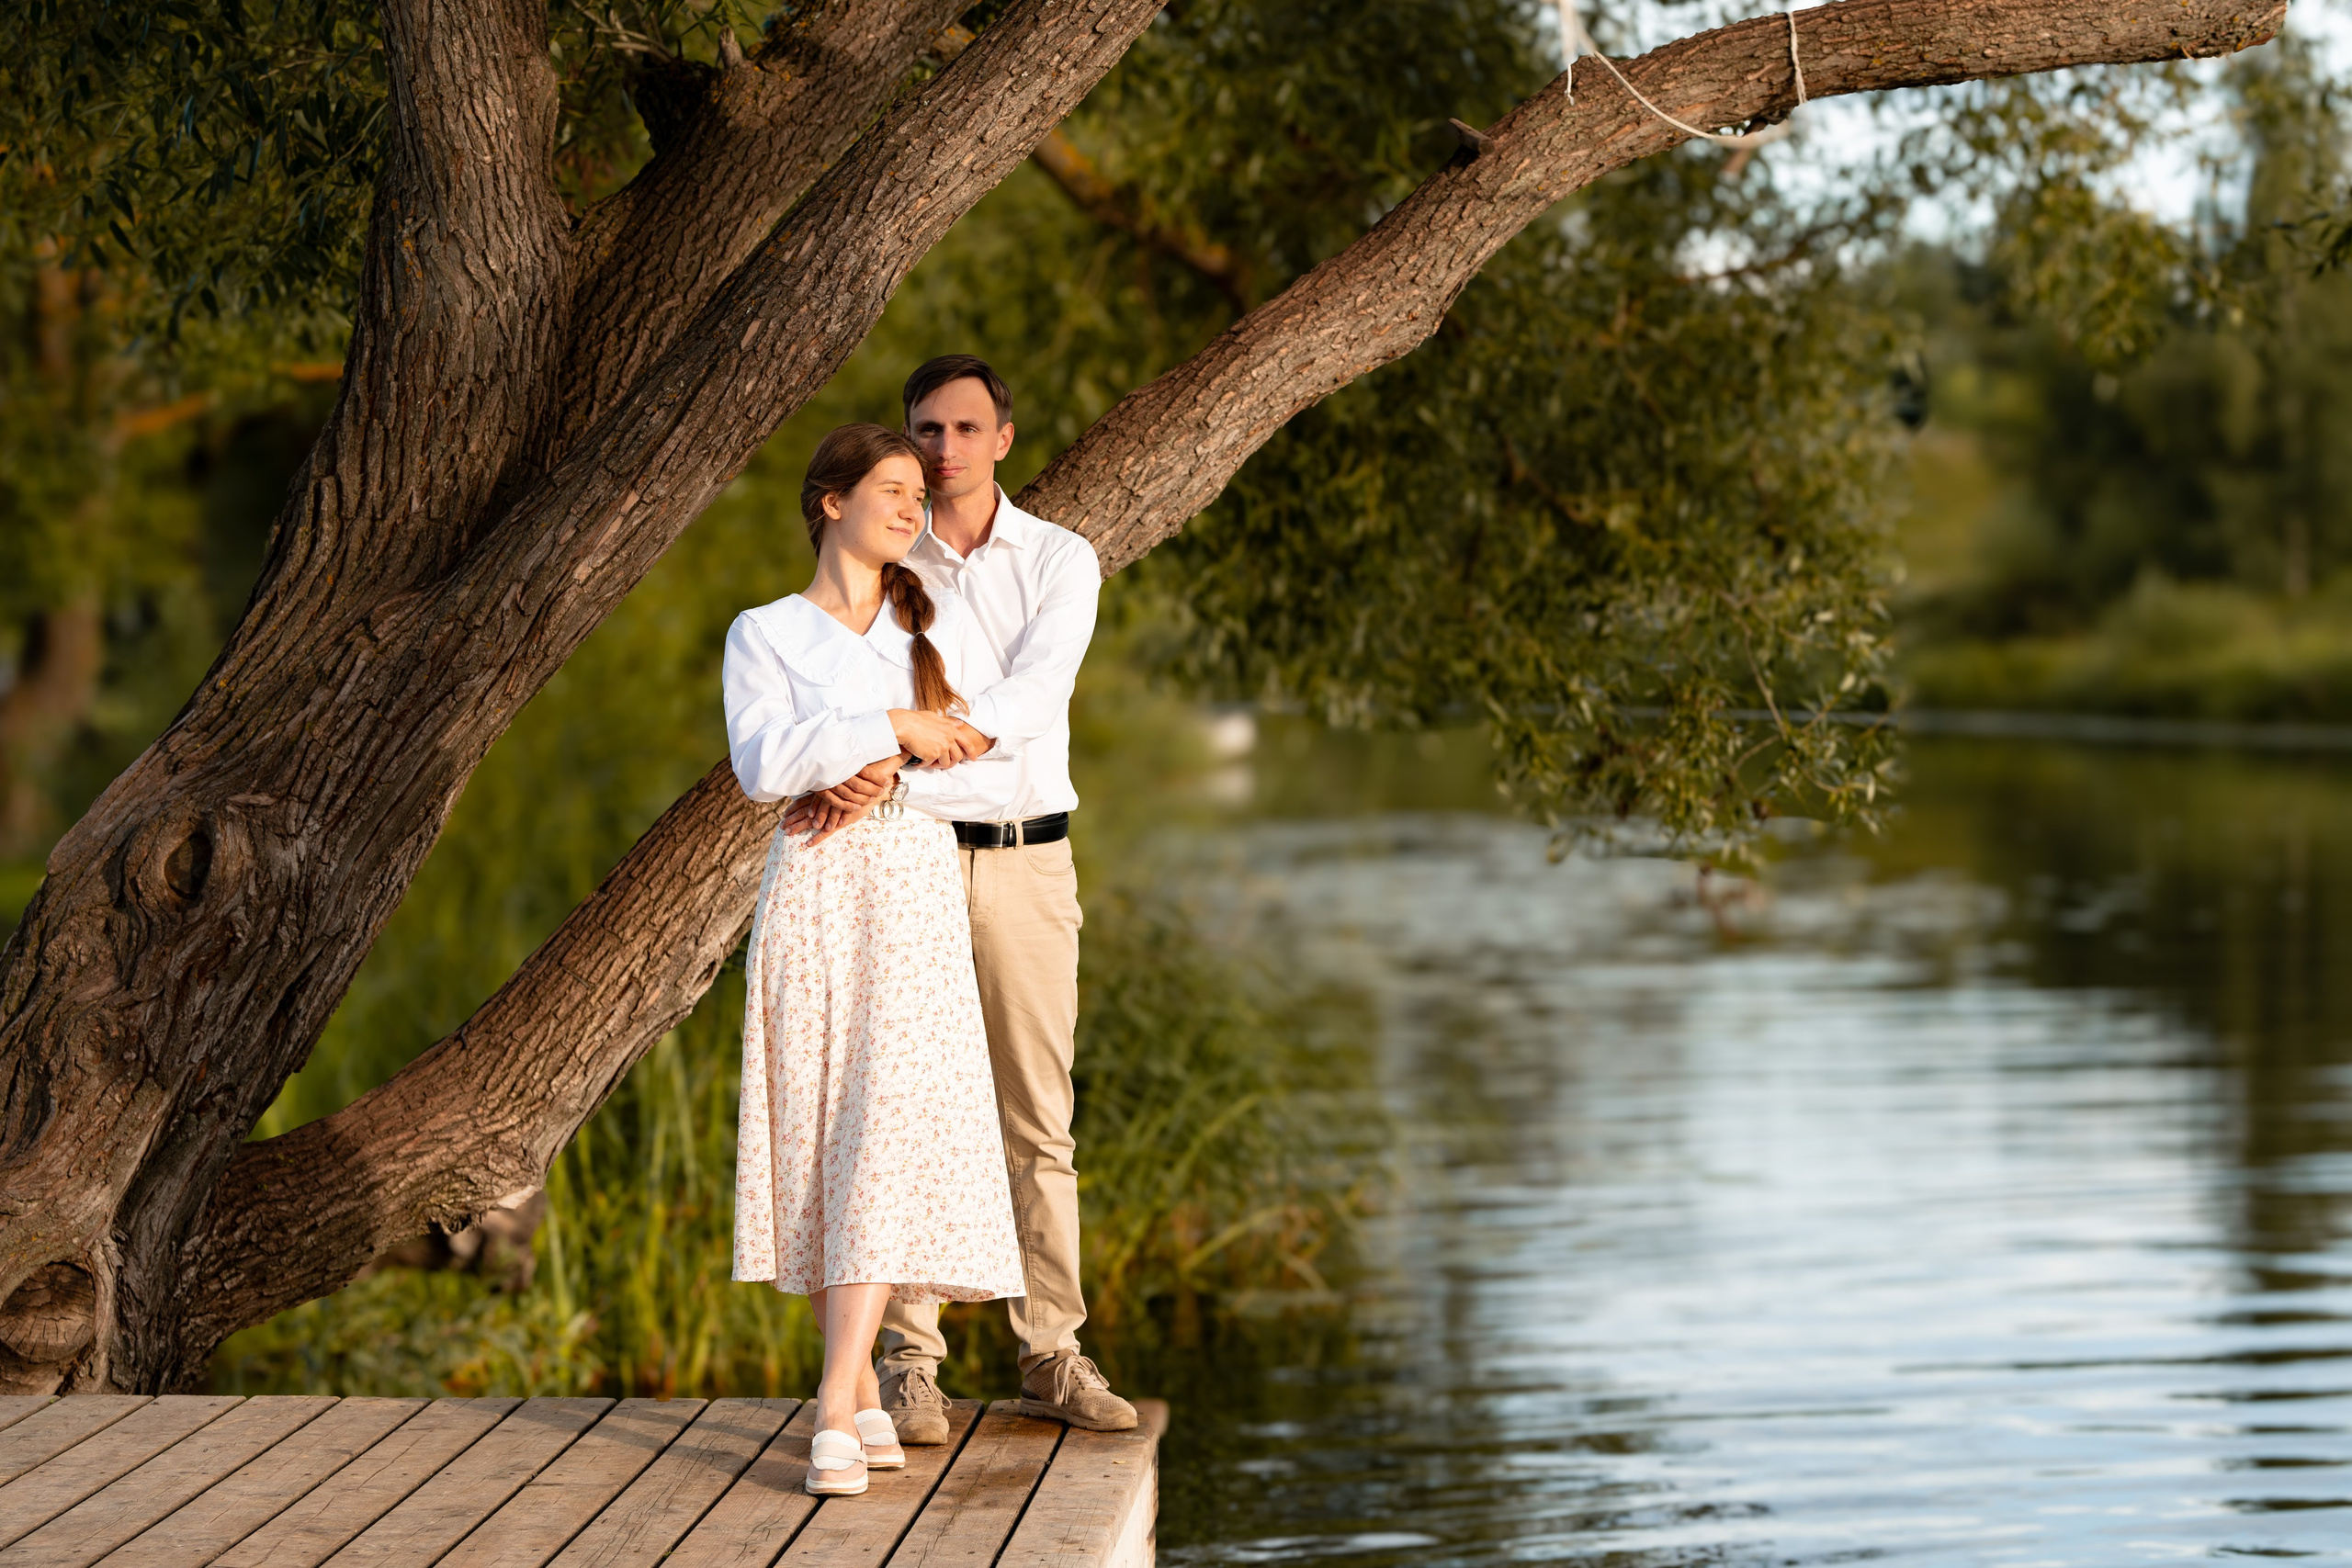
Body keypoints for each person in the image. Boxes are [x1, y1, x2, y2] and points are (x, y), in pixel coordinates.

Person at [784, 355, 1139, 1439]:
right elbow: (860, 701)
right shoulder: (885, 563)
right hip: (912, 856)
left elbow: (1037, 695)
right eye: (924, 431)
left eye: (963, 429)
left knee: (1037, 1118)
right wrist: (881, 755)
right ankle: (912, 1367)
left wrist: (925, 747)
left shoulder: (1060, 559)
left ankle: (1051, 1354)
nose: (942, 450)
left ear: (1004, 439)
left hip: (1029, 860)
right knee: (910, 1113)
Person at [725, 423, 1027, 1497]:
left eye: (917, 492)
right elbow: (763, 766)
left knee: (882, 1127)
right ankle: (857, 1393)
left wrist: (887, 763)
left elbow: (994, 770)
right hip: (810, 890)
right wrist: (893, 727)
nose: (913, 507)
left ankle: (830, 1406)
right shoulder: (763, 632)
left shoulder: (934, 626)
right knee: (819, 1128)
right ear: (828, 503)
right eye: (892, 490)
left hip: (906, 888)